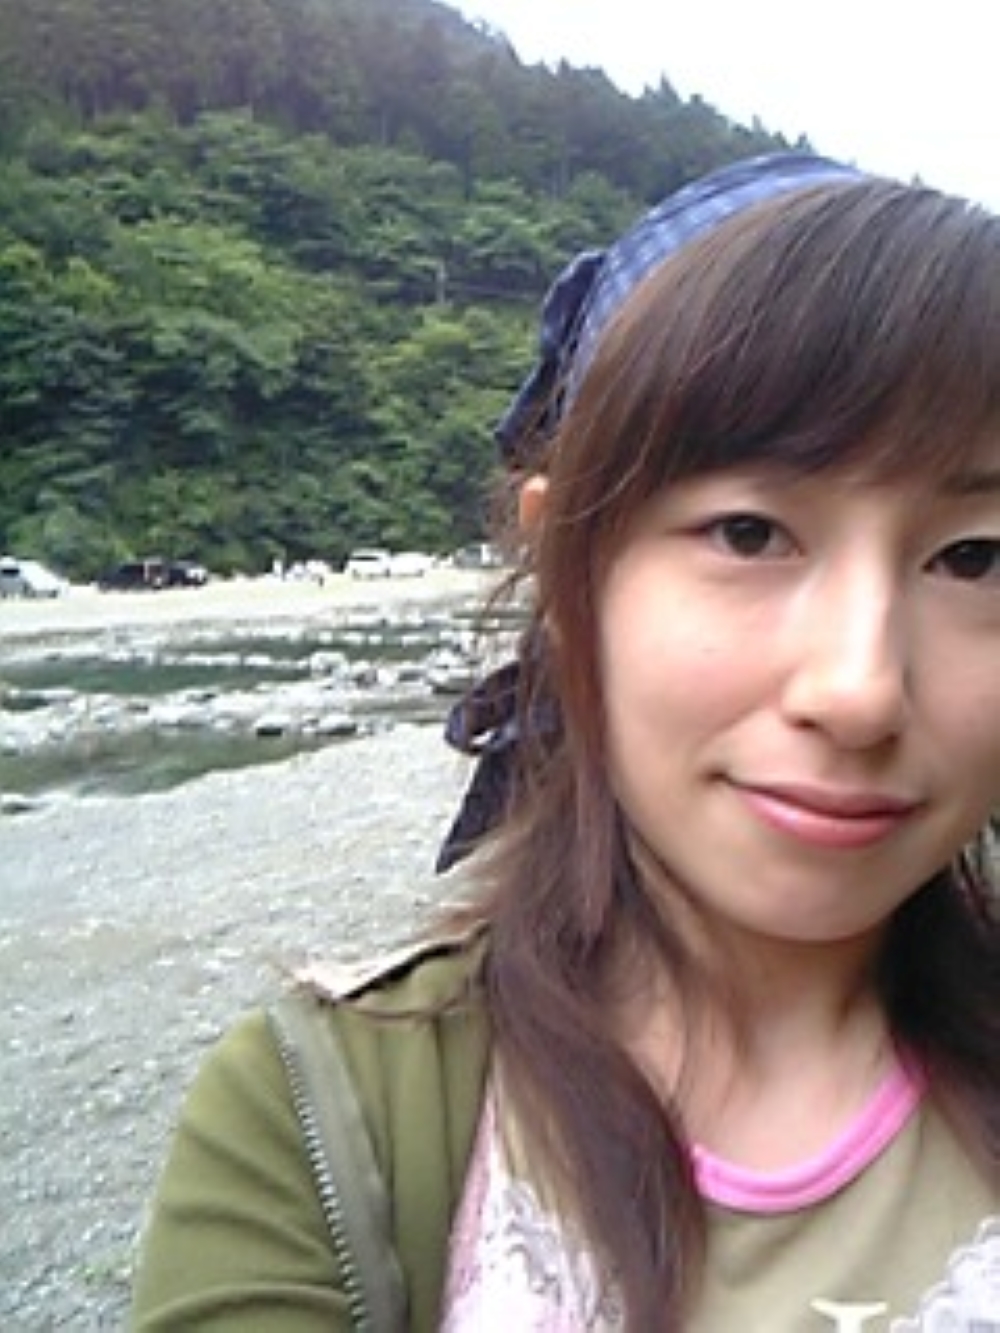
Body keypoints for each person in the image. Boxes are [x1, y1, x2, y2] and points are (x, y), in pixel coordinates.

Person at [131, 154, 1000, 1331]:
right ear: (562, 570)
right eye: (749, 533)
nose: (857, 691)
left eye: (974, 556)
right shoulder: (330, 1114)